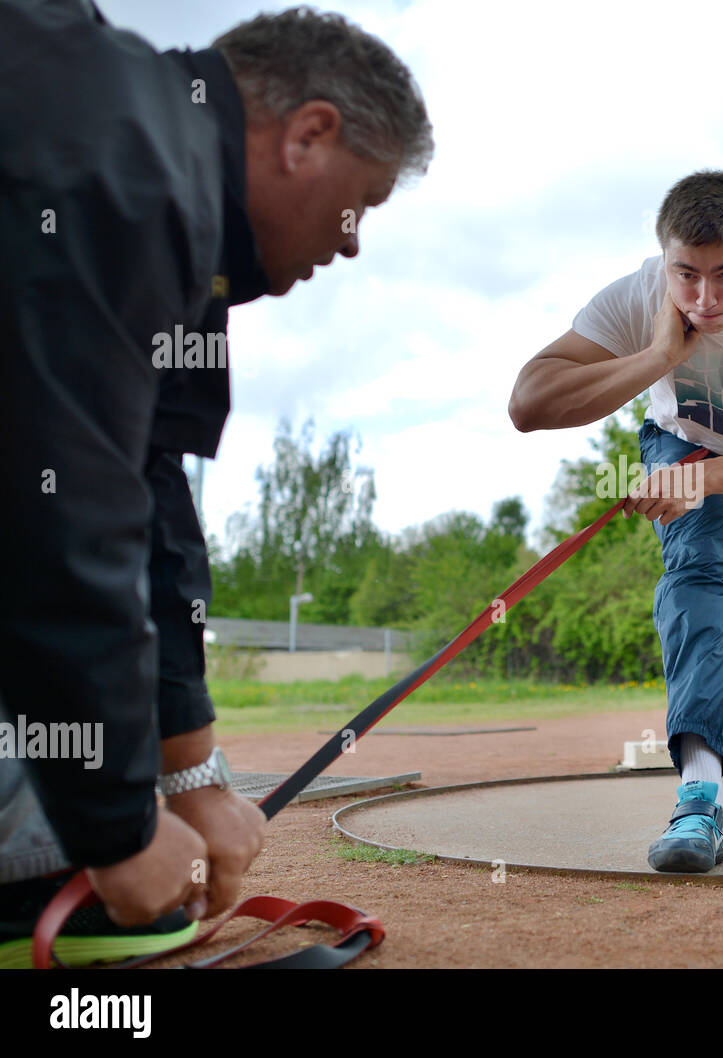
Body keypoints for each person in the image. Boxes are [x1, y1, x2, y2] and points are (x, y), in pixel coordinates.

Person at [0, 1, 433, 965]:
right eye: (364, 202)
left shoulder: (168, 196)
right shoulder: (126, 168)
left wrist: (192, 771)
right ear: (307, 136)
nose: (354, 243)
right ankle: (23, 852)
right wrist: (113, 825)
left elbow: (148, 488)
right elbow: (57, 495)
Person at [509, 170, 723, 872]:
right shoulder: (640, 296)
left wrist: (706, 476)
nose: (704, 299)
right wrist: (659, 357)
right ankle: (700, 800)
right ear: (664, 261)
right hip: (683, 443)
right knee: (699, 572)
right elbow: (529, 403)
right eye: (686, 275)